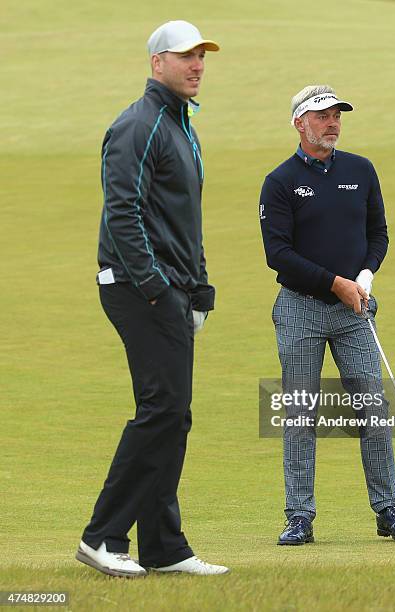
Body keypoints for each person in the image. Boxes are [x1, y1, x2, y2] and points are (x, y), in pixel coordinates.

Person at [75, 20, 229, 577]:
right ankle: (102, 536)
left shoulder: (180, 125)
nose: (196, 66)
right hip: (137, 288)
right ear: (156, 62)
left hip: (170, 288)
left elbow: (183, 219)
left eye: (202, 57)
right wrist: (157, 289)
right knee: (162, 409)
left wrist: (199, 284)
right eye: (185, 56)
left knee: (173, 415)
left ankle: (164, 547)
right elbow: (123, 212)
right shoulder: (138, 125)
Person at [259, 85, 395, 545]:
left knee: (373, 408)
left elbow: (378, 233)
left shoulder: (361, 170)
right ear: (299, 123)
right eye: (321, 115)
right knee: (300, 414)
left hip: (355, 309)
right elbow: (279, 255)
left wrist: (365, 276)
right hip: (300, 310)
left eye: (336, 115)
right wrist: (336, 283)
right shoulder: (281, 181)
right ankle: (299, 517)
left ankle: (389, 511)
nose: (332, 123)